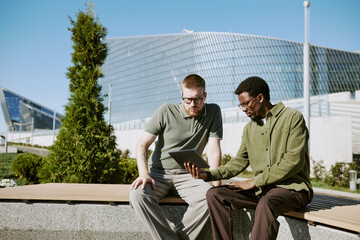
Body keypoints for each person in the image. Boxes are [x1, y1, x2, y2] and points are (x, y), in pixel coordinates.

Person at [185, 76, 313, 240]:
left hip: (292, 189)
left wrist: (254, 182)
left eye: (246, 103)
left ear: (260, 98)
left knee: (267, 203)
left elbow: (293, 162)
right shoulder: (249, 129)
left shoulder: (292, 118)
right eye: (241, 105)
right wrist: (208, 175)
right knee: (214, 195)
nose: (243, 109)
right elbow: (238, 162)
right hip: (263, 191)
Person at [130, 74, 223, 240]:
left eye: (197, 99)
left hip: (190, 175)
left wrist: (216, 184)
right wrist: (144, 174)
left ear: (205, 96)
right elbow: (141, 145)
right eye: (188, 99)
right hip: (158, 174)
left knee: (210, 197)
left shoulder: (214, 111)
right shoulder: (166, 110)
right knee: (138, 195)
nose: (192, 104)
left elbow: (214, 150)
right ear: (182, 95)